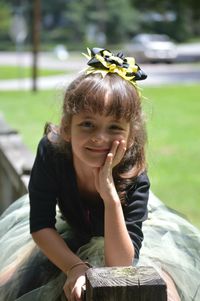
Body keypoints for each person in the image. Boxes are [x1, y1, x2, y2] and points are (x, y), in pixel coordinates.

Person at [0, 47, 199, 301]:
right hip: (69, 239)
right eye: (87, 124)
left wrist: (110, 195)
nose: (99, 137)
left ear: (130, 136)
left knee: (165, 294)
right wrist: (75, 267)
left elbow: (121, 265)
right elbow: (40, 225)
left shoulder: (132, 170)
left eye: (114, 127)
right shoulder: (52, 152)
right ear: (67, 128)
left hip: (123, 242)